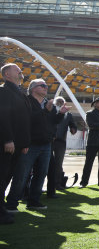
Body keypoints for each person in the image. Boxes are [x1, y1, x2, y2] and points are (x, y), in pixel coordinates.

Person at [5, 79, 68, 212]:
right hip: (30, 144)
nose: (46, 88)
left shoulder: (47, 103)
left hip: (46, 144)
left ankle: (34, 201)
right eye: (43, 86)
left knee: (41, 174)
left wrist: (61, 114)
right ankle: (11, 204)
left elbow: (52, 122)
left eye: (46, 85)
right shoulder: (26, 101)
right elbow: (28, 120)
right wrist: (45, 110)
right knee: (21, 175)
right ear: (33, 88)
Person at [0, 64, 31, 224]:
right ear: (7, 74)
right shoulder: (4, 91)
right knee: (2, 176)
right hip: (8, 143)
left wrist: (24, 143)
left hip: (18, 144)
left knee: (7, 176)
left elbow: (23, 121)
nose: (21, 71)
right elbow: (3, 117)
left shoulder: (19, 93)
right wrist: (8, 139)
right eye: (16, 69)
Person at [47, 96, 77, 196]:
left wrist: (73, 129)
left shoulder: (68, 115)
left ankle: (57, 184)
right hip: (50, 140)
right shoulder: (51, 111)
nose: (60, 102)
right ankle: (41, 185)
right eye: (58, 101)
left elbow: (73, 125)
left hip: (61, 142)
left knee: (58, 163)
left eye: (62, 101)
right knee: (44, 163)